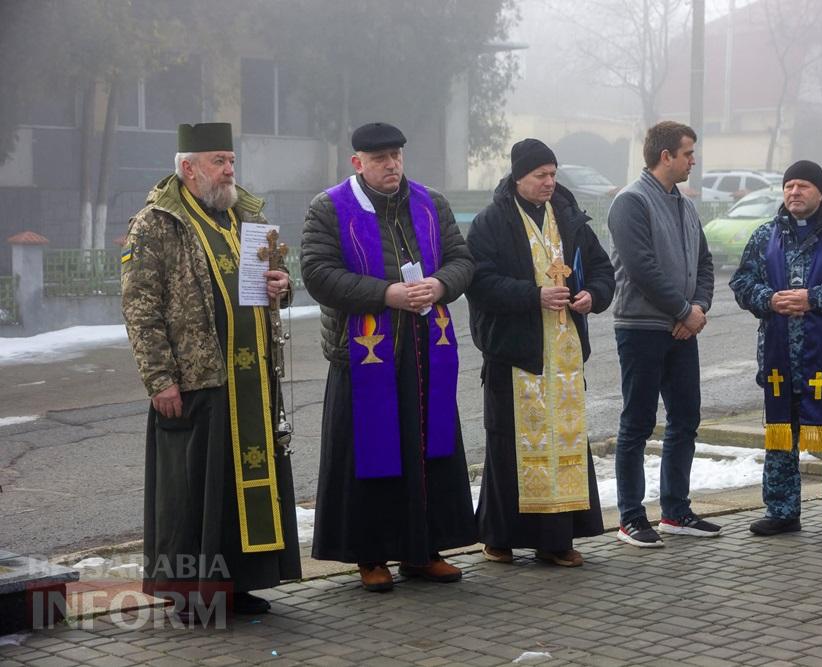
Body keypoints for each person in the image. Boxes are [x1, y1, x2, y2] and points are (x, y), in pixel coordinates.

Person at [122, 122, 301, 621]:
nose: (229, 170)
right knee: (192, 495)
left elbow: (276, 287)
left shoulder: (247, 217)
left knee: (234, 492)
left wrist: (281, 286)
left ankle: (240, 584)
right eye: (218, 161)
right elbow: (141, 309)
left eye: (231, 160)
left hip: (252, 379)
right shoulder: (155, 224)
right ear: (188, 168)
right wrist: (160, 380)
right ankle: (190, 596)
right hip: (196, 381)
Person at [301, 122, 476, 592]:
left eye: (396, 155)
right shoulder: (330, 207)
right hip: (364, 358)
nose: (391, 164)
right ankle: (370, 555)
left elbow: (462, 259)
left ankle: (424, 551)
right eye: (379, 158)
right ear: (357, 163)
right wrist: (386, 294)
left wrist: (440, 285)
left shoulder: (429, 203)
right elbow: (318, 273)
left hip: (425, 354)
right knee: (368, 458)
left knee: (427, 455)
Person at [465, 139, 615, 567]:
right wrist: (533, 295)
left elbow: (604, 271)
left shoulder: (569, 218)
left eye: (553, 174)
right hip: (515, 355)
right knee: (510, 450)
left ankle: (558, 539)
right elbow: (479, 282)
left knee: (564, 445)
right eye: (540, 176)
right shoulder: (491, 221)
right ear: (518, 177)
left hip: (564, 358)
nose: (550, 182)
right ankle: (500, 538)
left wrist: (593, 295)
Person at [729, 160, 822, 543]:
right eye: (789, 186)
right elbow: (742, 282)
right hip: (780, 361)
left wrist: (814, 298)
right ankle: (781, 512)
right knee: (780, 438)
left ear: (819, 191)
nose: (794, 192)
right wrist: (770, 299)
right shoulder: (766, 235)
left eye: (803, 186)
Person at [607, 121, 719, 548]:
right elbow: (641, 269)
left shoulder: (686, 206)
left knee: (686, 417)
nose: (694, 160)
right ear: (665, 156)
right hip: (641, 328)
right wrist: (682, 310)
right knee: (637, 422)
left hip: (682, 330)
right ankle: (631, 517)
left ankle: (675, 510)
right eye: (688, 153)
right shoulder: (631, 202)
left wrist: (698, 309)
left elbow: (704, 265)